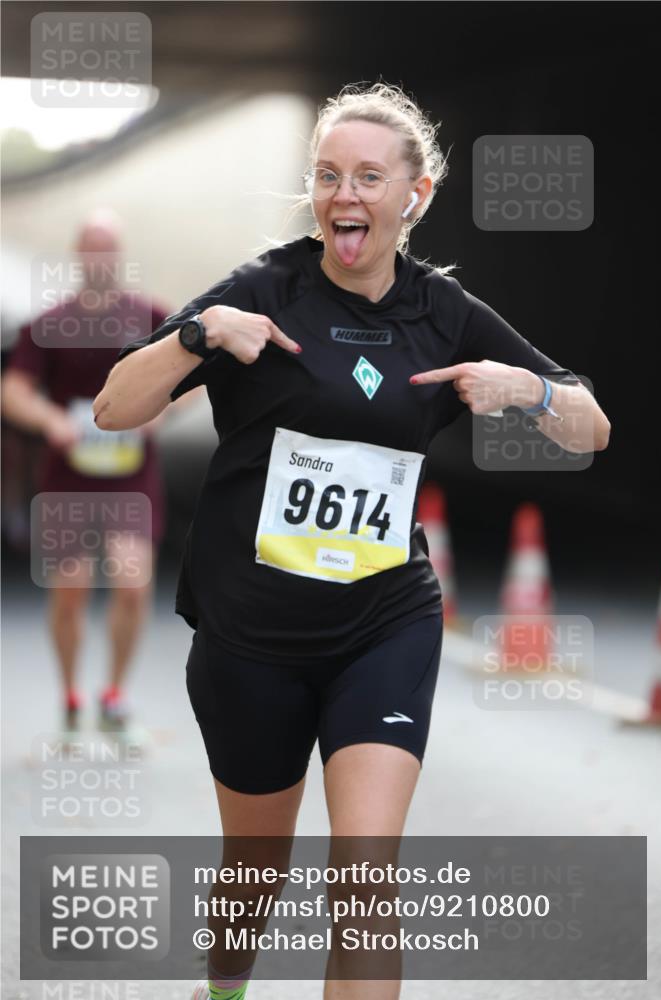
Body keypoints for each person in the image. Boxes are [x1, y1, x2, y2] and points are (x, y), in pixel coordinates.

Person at [94, 83, 611, 1000]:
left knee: (367, 879)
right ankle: (222, 985)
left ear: (415, 194)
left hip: (382, 621)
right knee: (252, 881)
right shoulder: (264, 288)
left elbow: (591, 429)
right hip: (249, 636)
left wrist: (525, 393)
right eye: (328, 175)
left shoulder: (443, 313)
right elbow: (114, 408)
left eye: (369, 177)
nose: (344, 196)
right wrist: (198, 334)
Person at [2, 210, 170, 734]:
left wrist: (154, 413)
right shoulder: (49, 325)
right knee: (70, 588)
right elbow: (13, 393)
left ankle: (115, 693)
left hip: (129, 478)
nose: (99, 258)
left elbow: (189, 377)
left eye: (107, 249)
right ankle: (71, 695)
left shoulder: (149, 318)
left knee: (132, 581)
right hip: (68, 477)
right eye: (90, 248)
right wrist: (51, 420)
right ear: (79, 256)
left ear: (118, 256)